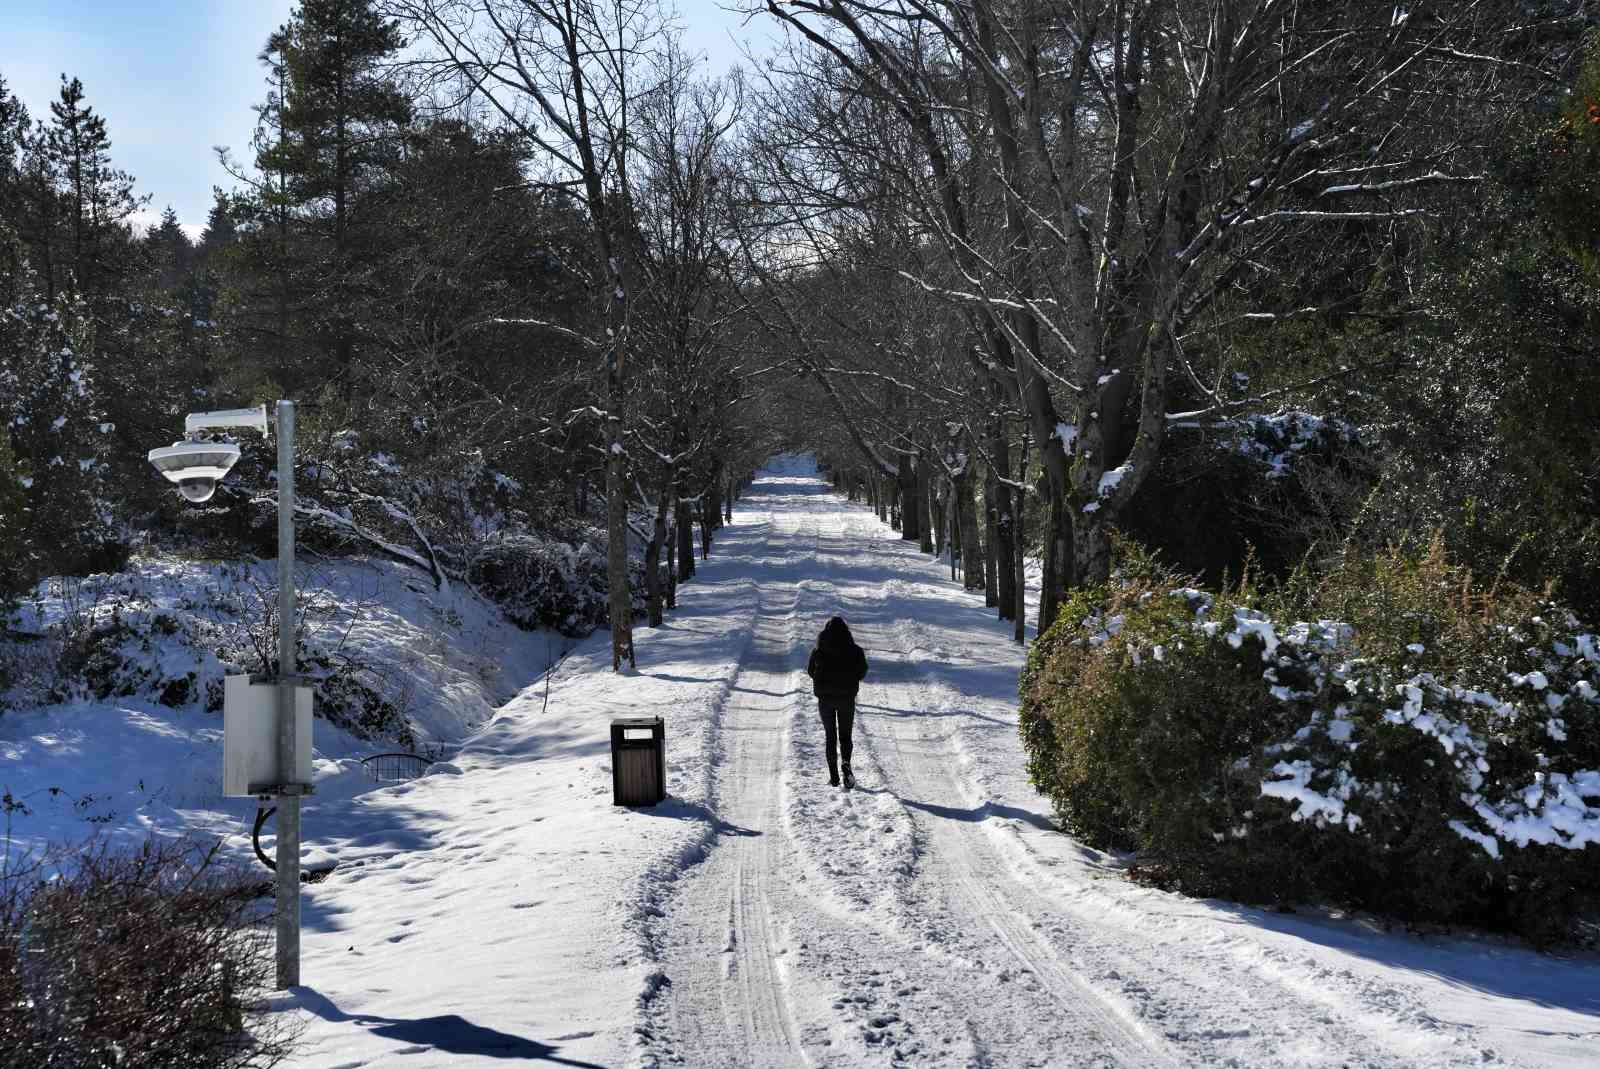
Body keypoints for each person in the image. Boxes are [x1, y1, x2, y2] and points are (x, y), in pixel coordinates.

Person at [805, 616, 869, 789]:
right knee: (845, 736)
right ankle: (846, 763)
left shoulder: (818, 651)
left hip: (825, 699)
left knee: (830, 736)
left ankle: (834, 775)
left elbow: (810, 671)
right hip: (846, 698)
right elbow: (862, 672)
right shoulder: (855, 650)